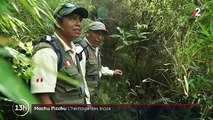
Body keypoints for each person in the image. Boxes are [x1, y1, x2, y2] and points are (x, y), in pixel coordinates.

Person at [30, 2, 90, 120]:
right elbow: (42, 99)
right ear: (58, 22)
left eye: (80, 20)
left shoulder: (73, 52)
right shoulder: (47, 53)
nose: (79, 24)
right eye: (72, 19)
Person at [76, 21, 123, 103]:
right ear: (87, 33)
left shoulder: (95, 49)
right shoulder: (81, 50)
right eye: (96, 33)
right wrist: (87, 104)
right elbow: (80, 80)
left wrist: (112, 72)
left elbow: (96, 68)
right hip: (81, 100)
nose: (100, 37)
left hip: (92, 96)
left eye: (102, 35)